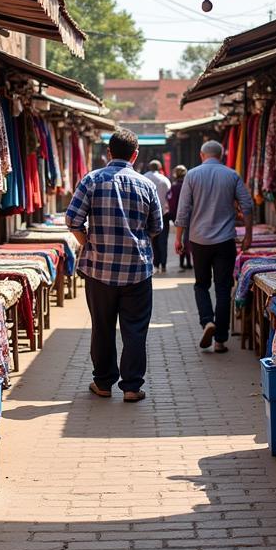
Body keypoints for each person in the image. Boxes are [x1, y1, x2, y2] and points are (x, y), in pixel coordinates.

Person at [66, 128, 162, 402]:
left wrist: (89, 244)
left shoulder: (91, 180)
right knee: (135, 329)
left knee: (102, 326)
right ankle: (131, 387)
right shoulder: (147, 185)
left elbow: (73, 220)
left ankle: (104, 383)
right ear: (135, 155)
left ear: (108, 153)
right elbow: (156, 227)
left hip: (99, 270)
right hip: (137, 271)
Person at [173, 140, 253, 354]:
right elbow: (247, 204)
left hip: (199, 241)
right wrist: (248, 235)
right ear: (222, 155)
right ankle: (220, 340)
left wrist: (179, 239)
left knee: (201, 285)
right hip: (225, 240)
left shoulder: (192, 175)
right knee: (223, 289)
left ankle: (207, 321)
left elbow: (183, 211)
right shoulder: (231, 175)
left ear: (201, 155)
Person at [143, 159, 172, 273]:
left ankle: (154, 264)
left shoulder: (143, 178)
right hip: (163, 213)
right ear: (160, 168)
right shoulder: (165, 180)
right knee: (163, 240)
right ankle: (163, 264)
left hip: (147, 214)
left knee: (150, 240)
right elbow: (170, 196)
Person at [166, 165, 191, 269]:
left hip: (178, 215)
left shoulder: (174, 186)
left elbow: (170, 201)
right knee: (188, 238)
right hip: (190, 214)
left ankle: (181, 262)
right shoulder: (189, 185)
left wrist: (172, 215)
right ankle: (188, 262)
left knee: (180, 238)